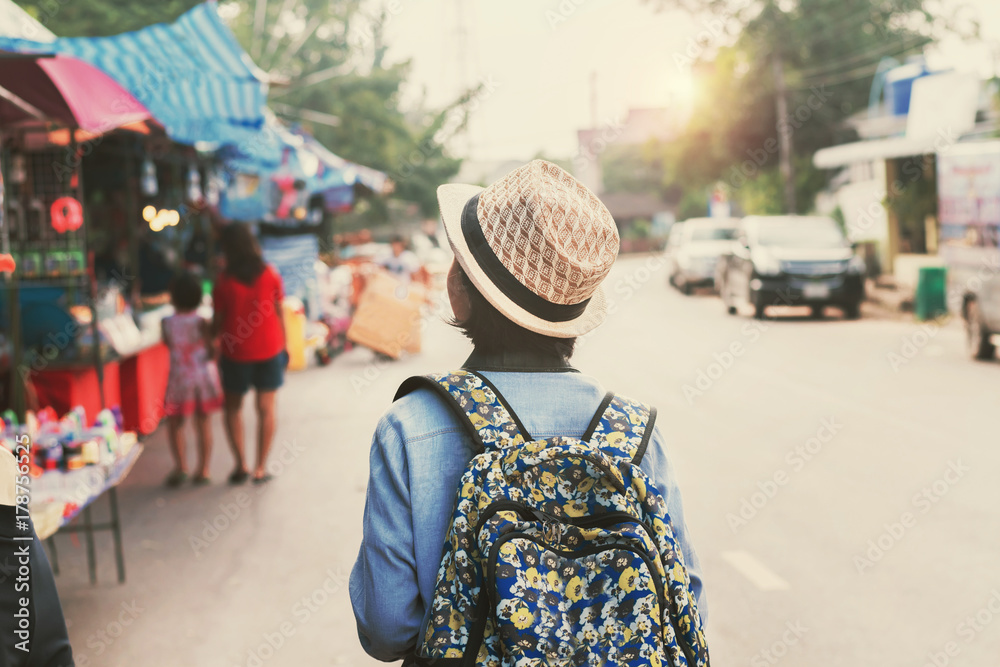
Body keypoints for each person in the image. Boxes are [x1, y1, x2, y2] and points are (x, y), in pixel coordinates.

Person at [350, 161, 707, 662]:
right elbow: (685, 605)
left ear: (462, 289)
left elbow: (386, 629)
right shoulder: (635, 436)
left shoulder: (408, 429)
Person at [212, 223, 287, 484]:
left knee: (233, 408)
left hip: (236, 353)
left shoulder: (223, 280)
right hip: (269, 348)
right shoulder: (270, 274)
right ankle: (260, 468)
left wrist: (209, 335)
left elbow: (217, 320)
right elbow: (279, 311)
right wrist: (285, 346)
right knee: (266, 408)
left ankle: (241, 464)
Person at [161, 272, 223, 487]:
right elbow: (212, 348)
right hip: (203, 378)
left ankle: (181, 467)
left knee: (175, 423)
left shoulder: (166, 322)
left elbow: (168, 344)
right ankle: (203, 470)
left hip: (179, 378)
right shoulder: (202, 321)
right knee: (203, 422)